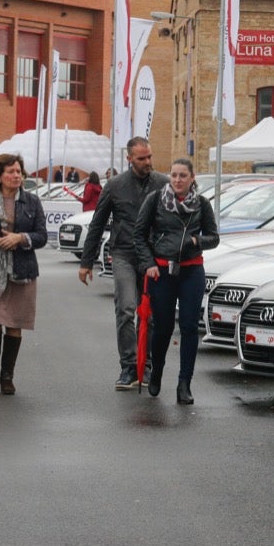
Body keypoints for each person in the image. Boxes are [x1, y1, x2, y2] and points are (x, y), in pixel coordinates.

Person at [78, 138, 168, 390]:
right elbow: (97, 223)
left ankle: (146, 366)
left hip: (152, 257)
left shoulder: (162, 184)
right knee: (126, 309)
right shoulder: (115, 186)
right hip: (124, 254)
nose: (147, 162)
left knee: (148, 315)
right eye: (141, 158)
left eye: (149, 157)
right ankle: (129, 367)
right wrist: (86, 262)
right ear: (129, 159)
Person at [133, 159, 219, 405]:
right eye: (174, 175)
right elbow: (139, 234)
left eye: (183, 175)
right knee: (163, 327)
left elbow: (214, 238)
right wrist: (148, 263)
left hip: (191, 271)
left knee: (190, 327)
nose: (178, 180)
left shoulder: (201, 204)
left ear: (192, 178)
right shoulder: (156, 200)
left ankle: (184, 384)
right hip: (161, 272)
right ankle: (157, 371)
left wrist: (196, 242)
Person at [0, 153, 47, 395]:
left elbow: (41, 236)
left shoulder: (32, 202)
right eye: (11, 172)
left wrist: (20, 238)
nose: (16, 176)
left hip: (22, 271)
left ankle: (7, 375)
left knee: (15, 323)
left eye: (19, 172)